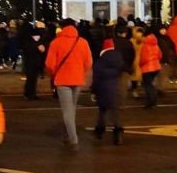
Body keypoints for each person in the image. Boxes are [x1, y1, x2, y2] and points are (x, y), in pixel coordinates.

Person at [45, 18, 92, 150]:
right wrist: (80, 71)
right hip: (77, 79)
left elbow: (49, 64)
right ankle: (68, 134)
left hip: (62, 79)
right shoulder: (82, 42)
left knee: (67, 110)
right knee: (72, 109)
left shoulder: (56, 42)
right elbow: (88, 62)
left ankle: (73, 138)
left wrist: (55, 73)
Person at [92, 38, 125, 145]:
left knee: (102, 111)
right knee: (115, 112)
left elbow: (96, 78)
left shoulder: (100, 62)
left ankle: (100, 131)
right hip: (116, 88)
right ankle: (118, 135)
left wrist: (93, 90)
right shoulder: (119, 59)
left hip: (103, 88)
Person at [19, 22, 43, 100]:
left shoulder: (23, 37)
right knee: (32, 78)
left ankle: (29, 93)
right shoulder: (32, 37)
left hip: (28, 59)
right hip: (34, 59)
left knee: (30, 77)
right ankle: (31, 93)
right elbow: (35, 46)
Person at [113, 24, 136, 107]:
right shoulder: (129, 43)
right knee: (123, 87)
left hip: (114, 66)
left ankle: (114, 102)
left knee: (114, 85)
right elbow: (132, 55)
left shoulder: (112, 42)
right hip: (125, 66)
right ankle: (122, 103)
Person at [139, 33, 162, 109]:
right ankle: (153, 101)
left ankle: (151, 102)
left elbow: (143, 58)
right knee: (150, 84)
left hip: (147, 68)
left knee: (148, 85)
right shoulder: (156, 45)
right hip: (156, 67)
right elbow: (160, 56)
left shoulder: (145, 46)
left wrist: (140, 65)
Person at [129, 26, 144, 97]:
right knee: (134, 76)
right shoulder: (131, 41)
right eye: (138, 32)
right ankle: (134, 90)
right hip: (134, 60)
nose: (139, 34)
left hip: (143, 60)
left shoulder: (144, 40)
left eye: (140, 32)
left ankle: (137, 89)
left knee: (142, 76)